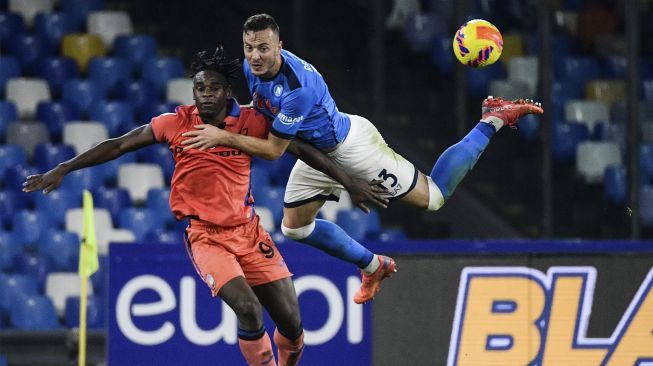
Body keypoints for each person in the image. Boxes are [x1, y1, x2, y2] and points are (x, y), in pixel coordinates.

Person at [22, 46, 386, 366]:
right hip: (206, 237)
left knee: (292, 324)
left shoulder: (253, 122)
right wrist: (64, 168)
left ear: (228, 91)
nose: (206, 95)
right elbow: (118, 145)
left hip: (249, 231)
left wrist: (349, 181)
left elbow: (300, 149)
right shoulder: (176, 123)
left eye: (214, 88)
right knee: (247, 309)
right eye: (200, 88)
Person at [181, 14, 545, 304]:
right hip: (313, 151)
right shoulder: (252, 68)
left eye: (263, 47)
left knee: (433, 198)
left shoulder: (298, 90)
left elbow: (276, 150)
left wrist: (221, 135)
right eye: (249, 48)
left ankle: (492, 117)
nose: (255, 56)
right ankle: (374, 266)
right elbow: (274, 127)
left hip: (351, 148)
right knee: (295, 228)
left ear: (280, 45)